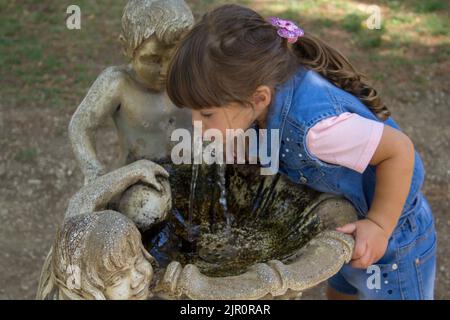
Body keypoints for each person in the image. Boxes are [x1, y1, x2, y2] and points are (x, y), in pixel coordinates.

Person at [165, 4, 437, 300]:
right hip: (346, 222)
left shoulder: (316, 131)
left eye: (206, 114)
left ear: (257, 98)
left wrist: (379, 225)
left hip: (395, 237)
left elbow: (399, 150)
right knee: (342, 291)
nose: (195, 124)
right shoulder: (266, 95)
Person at [69, 0, 194, 185]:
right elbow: (81, 125)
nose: (166, 70)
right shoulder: (119, 83)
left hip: (189, 175)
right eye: (153, 59)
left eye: (175, 57)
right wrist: (93, 171)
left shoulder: (191, 76)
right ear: (126, 47)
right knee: (146, 207)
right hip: (140, 181)